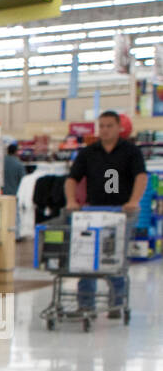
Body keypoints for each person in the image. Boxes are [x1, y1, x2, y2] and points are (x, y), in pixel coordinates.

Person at [64, 110, 145, 317]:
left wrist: (133, 201)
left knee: (114, 257)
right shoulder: (89, 152)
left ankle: (117, 304)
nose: (105, 130)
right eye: (102, 126)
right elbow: (72, 178)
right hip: (92, 210)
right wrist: (72, 201)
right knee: (86, 256)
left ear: (119, 127)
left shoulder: (131, 151)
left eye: (110, 125)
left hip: (120, 211)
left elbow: (141, 177)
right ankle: (86, 305)